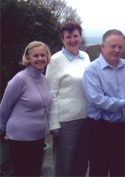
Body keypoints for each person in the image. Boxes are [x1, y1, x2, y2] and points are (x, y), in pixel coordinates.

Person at [82, 29, 125, 177]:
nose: (117, 50)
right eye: (113, 46)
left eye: (120, 47)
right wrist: (124, 103)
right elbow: (96, 99)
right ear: (103, 47)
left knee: (120, 169)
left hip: (122, 127)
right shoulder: (92, 70)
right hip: (100, 127)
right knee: (99, 169)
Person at [0, 41, 52, 176]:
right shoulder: (20, 79)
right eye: (36, 56)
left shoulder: (44, 80)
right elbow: (5, 106)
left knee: (35, 172)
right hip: (20, 137)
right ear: (28, 58)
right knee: (24, 173)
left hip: (38, 136)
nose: (40, 58)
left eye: (43, 55)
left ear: (47, 57)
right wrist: (3, 129)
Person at [45, 21, 90, 176]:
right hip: (66, 122)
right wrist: (53, 124)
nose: (73, 40)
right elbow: (50, 94)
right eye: (68, 37)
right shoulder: (55, 60)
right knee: (65, 164)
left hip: (86, 118)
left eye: (75, 36)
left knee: (82, 162)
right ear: (62, 39)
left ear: (80, 37)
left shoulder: (85, 57)